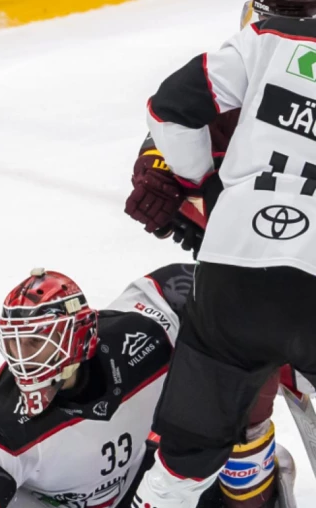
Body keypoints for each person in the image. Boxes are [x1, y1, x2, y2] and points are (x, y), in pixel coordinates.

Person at [124, 1, 316, 506]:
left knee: (186, 456)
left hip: (236, 274)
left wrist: (205, 190)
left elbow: (170, 109)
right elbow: (161, 140)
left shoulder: (263, 43)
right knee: (250, 413)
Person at [0, 264, 273, 508]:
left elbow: (186, 287)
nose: (24, 358)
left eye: (37, 341)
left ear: (78, 337)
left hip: (147, 478)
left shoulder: (142, 335)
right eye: (16, 343)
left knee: (238, 379)